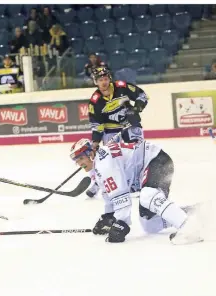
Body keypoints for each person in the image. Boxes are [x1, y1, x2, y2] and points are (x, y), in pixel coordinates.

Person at [69, 138, 203, 245]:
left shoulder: (104, 163)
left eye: (81, 158)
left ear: (91, 154)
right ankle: (193, 212)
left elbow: (121, 195)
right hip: (148, 168)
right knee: (150, 224)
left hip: (156, 161)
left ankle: (187, 227)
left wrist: (122, 223)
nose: (79, 163)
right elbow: (108, 194)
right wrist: (108, 216)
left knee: (147, 195)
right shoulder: (98, 168)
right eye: (76, 161)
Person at [86, 66, 149, 198]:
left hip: (130, 125)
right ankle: (99, 183)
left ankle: (135, 184)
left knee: (137, 154)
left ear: (109, 78)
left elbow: (142, 95)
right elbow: (97, 125)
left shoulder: (122, 87)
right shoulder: (95, 101)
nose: (103, 82)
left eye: (105, 78)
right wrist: (96, 142)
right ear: (95, 82)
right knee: (108, 159)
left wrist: (136, 109)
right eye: (100, 80)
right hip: (111, 130)